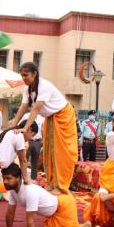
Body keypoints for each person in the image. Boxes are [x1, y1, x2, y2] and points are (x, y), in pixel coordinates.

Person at [0, 163, 108, 227]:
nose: (5, 182)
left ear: (19, 178)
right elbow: (9, 214)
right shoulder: (13, 191)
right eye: (4, 178)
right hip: (55, 210)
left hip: (64, 206)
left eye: (8, 178)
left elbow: (30, 221)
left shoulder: (29, 192)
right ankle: (85, 226)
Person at [10, 62, 78, 193]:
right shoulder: (27, 89)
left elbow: (35, 109)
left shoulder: (44, 86)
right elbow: (23, 107)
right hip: (51, 118)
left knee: (60, 153)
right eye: (22, 75)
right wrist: (13, 125)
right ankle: (53, 183)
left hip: (63, 116)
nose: (23, 78)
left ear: (34, 74)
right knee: (49, 151)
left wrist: (25, 128)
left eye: (26, 75)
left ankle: (61, 186)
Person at [19, 111, 44, 180]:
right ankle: (21, 178)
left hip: (37, 141)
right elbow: (21, 126)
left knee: (34, 162)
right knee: (23, 159)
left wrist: (43, 141)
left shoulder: (42, 117)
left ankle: (33, 179)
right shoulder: (26, 116)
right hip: (27, 141)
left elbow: (43, 129)